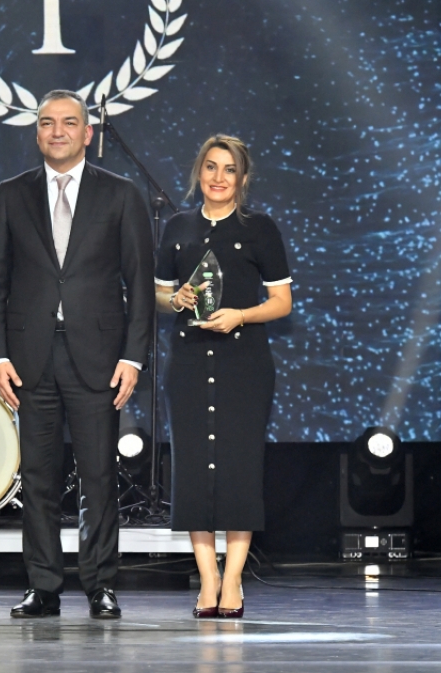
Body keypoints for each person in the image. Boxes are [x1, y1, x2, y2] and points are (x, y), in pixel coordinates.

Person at [0, 90, 154, 619]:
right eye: (47, 122)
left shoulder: (121, 194)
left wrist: (133, 357)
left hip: (99, 358)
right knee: (38, 478)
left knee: (99, 477)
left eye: (69, 122)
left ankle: (101, 584)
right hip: (29, 358)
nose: (57, 131)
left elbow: (140, 285)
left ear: (87, 133)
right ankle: (43, 586)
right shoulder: (9, 195)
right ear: (36, 132)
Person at [155, 135, 292, 619]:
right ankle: (207, 579)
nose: (218, 177)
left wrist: (241, 315)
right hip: (188, 364)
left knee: (239, 469)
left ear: (243, 178)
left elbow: (282, 302)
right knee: (193, 469)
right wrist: (175, 300)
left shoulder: (260, 229)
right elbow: (158, 293)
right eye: (211, 167)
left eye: (229, 169)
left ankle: (232, 580)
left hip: (244, 364)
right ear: (199, 172)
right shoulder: (177, 226)